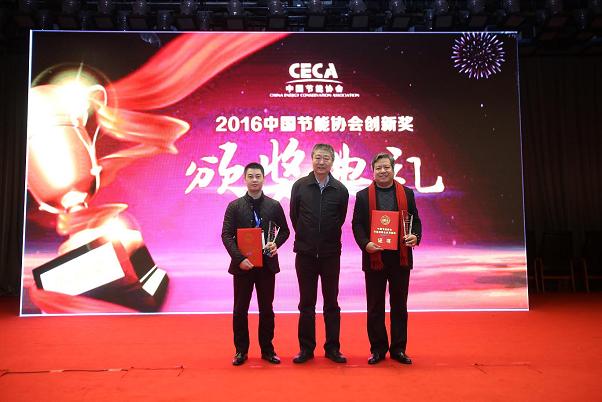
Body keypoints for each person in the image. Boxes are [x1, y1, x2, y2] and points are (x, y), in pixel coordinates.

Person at [352, 152, 422, 365]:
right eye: (378, 168)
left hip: (400, 258)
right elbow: (357, 224)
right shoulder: (363, 196)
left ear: (393, 169)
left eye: (386, 167)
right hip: (375, 257)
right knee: (375, 306)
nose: (382, 171)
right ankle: (378, 349)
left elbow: (415, 220)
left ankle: (399, 349)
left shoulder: (407, 193)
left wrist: (415, 236)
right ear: (372, 171)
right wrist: (366, 244)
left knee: (399, 305)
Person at [221, 162, 290, 366]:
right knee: (240, 310)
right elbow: (226, 235)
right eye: (250, 176)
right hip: (243, 266)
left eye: (258, 176)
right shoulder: (234, 206)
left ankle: (267, 350)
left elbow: (285, 231)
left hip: (267, 265)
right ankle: (240, 351)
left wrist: (276, 244)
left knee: (266, 309)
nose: (254, 180)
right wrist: (239, 259)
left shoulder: (274, 205)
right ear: (244, 179)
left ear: (263, 179)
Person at [290, 144, 349, 364]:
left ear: (332, 162)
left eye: (326, 158)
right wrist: (307, 237)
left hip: (330, 254)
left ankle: (333, 348)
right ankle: (306, 349)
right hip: (305, 254)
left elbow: (340, 219)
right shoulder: (300, 186)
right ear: (312, 159)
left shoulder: (340, 190)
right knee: (306, 303)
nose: (321, 162)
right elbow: (295, 217)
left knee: (331, 302)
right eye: (317, 157)